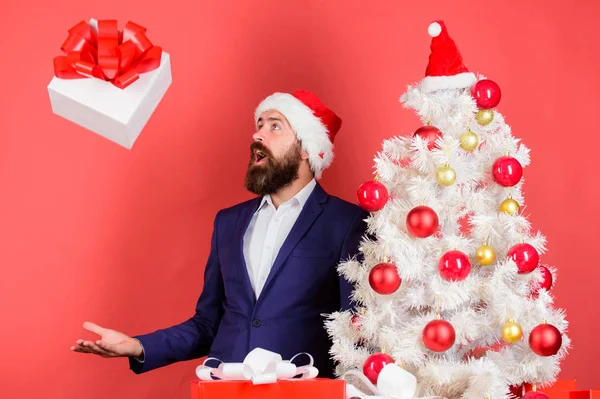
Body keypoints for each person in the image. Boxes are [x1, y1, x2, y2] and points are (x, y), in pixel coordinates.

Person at [70, 90, 369, 378]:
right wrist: (138, 346)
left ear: (307, 148)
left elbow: (356, 331)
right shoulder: (228, 222)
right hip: (226, 388)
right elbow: (208, 323)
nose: (258, 135)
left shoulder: (347, 222)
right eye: (259, 125)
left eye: (275, 126)